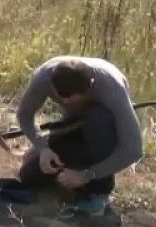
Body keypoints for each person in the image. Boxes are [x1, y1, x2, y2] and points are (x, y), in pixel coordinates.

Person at [14, 56, 143, 216]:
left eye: (73, 99)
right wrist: (43, 148)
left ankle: (98, 193)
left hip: (103, 130)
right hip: (72, 123)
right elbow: (24, 114)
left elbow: (133, 149)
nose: (67, 102)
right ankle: (73, 170)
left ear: (90, 86)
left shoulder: (112, 88)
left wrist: (86, 175)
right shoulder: (43, 78)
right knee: (29, 176)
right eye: (61, 99)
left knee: (99, 118)